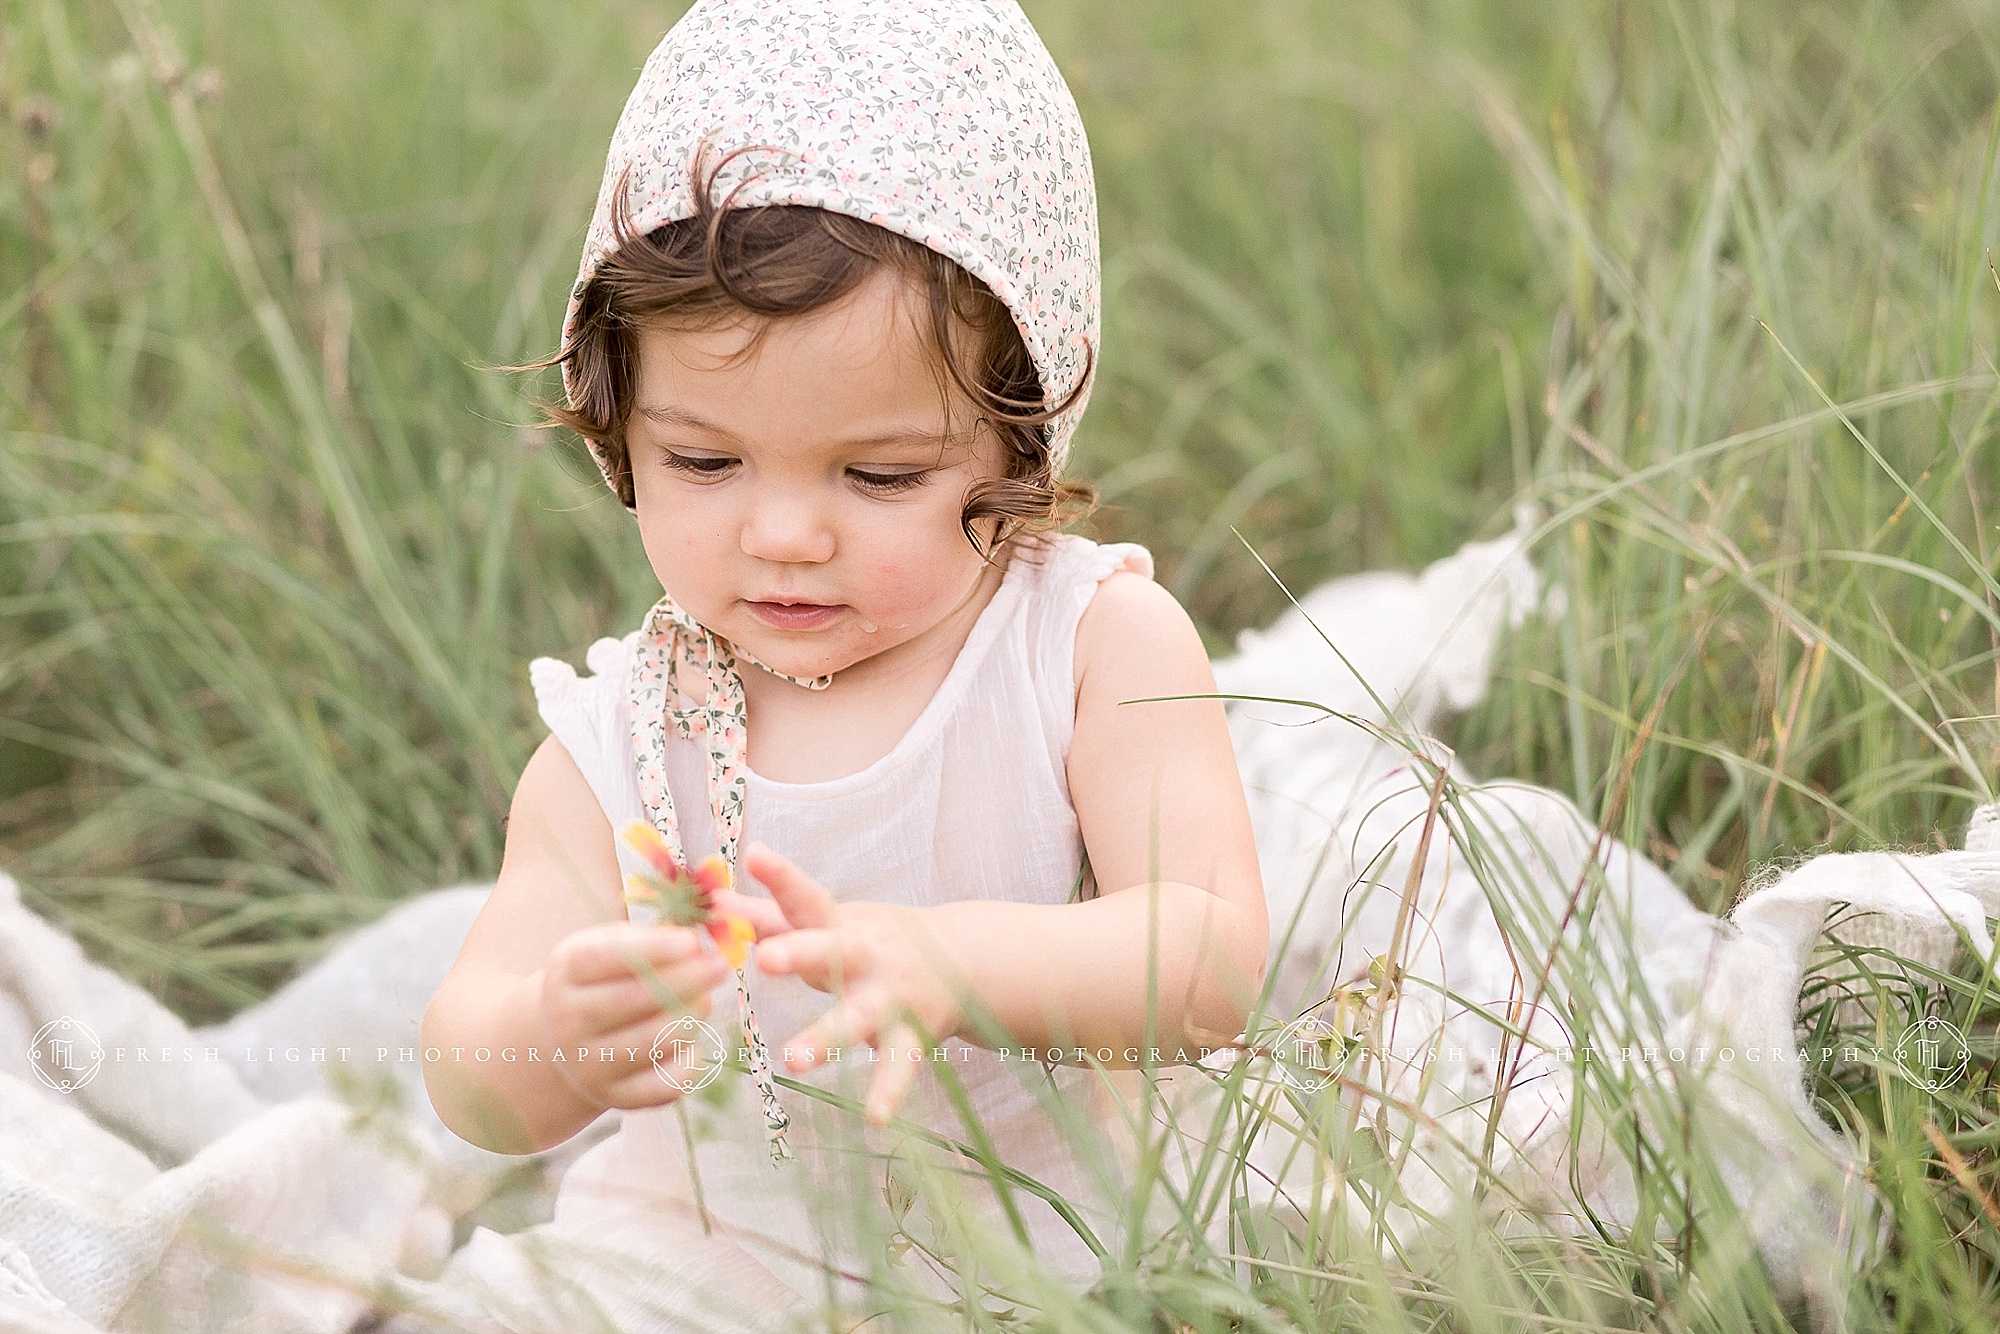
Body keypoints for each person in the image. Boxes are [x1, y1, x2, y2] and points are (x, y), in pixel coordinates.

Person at [420, 0, 1266, 1325]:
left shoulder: (1087, 645)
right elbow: (470, 1066)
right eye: (703, 459)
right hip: (696, 1261)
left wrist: (959, 963)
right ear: (619, 429)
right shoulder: (629, 739)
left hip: (1050, 1240)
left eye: (879, 473)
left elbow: (1213, 961)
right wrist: (554, 1036)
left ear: (1018, 441)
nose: (785, 533)